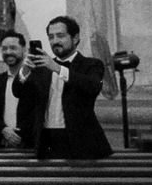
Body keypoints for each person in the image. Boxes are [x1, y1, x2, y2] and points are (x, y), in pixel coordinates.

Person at [31, 16, 112, 159]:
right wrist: (24, 71)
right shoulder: (42, 68)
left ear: (75, 38)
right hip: (46, 139)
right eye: (51, 37)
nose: (55, 41)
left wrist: (57, 68)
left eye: (60, 36)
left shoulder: (92, 64)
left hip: (81, 140)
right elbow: (19, 93)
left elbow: (92, 87)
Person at [0, 28, 49, 150]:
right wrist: (4, 129)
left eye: (13, 48)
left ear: (24, 49)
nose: (8, 52)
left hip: (31, 143)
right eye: (4, 48)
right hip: (3, 142)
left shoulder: (38, 77)